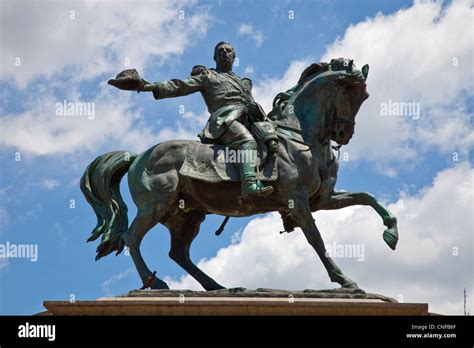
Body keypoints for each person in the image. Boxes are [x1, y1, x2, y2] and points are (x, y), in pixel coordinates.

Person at [140, 41, 275, 198]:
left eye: (229, 50)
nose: (225, 53)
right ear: (214, 57)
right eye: (220, 51)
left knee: (278, 141)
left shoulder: (242, 82)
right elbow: (180, 85)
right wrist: (151, 86)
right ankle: (249, 185)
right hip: (225, 119)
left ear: (234, 56)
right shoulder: (207, 77)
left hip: (250, 118)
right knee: (247, 142)